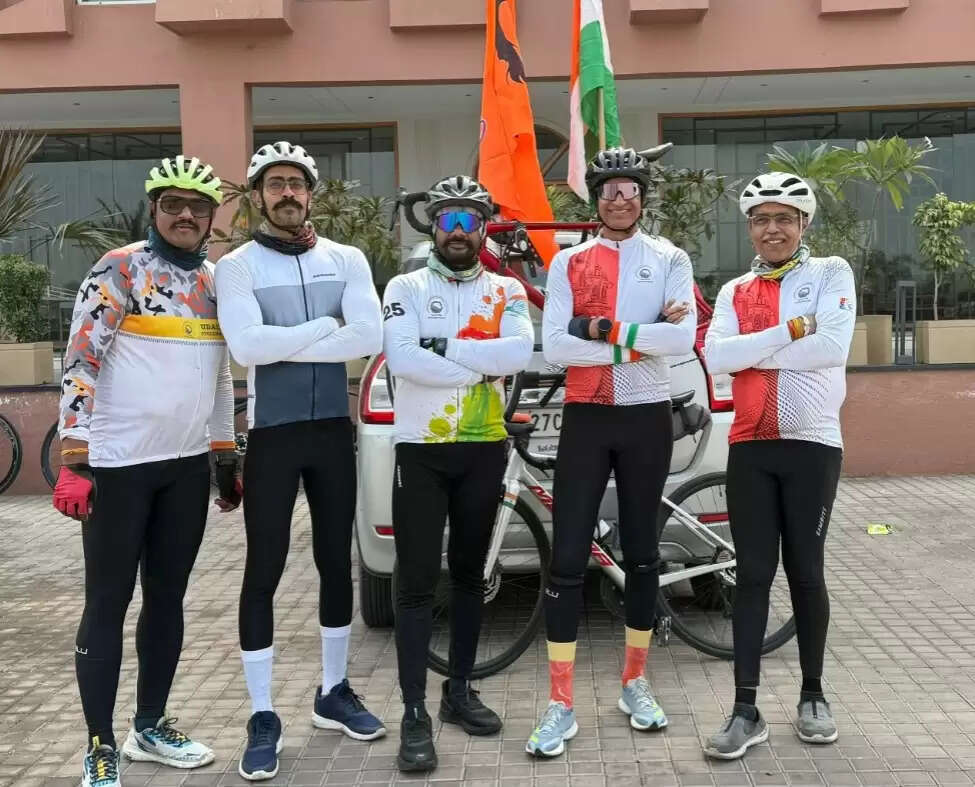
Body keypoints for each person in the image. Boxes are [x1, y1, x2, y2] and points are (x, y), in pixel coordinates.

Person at [53, 155, 240, 787]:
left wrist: (224, 454)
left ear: (211, 216)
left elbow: (220, 375)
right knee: (108, 602)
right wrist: (75, 458)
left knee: (167, 600)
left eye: (198, 206)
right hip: (118, 468)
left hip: (183, 470)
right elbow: (80, 361)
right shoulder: (119, 267)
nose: (185, 214)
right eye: (172, 204)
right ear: (153, 209)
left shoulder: (214, 281)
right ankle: (100, 743)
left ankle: (149, 726)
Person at [215, 141, 384, 781]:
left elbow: (369, 336)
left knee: (335, 563)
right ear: (258, 195)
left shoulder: (347, 258)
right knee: (264, 568)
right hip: (274, 435)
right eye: (275, 183)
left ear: (311, 193)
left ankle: (332, 692)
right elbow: (246, 347)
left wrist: (287, 341)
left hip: (332, 432)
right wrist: (324, 329)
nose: (287, 193)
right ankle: (262, 714)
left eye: (296, 183)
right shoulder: (236, 266)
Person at [527, 146, 696, 757]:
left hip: (647, 415)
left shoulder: (670, 257)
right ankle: (560, 702)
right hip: (588, 416)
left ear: (642, 197)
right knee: (568, 557)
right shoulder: (569, 262)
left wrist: (599, 329)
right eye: (609, 191)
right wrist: (642, 339)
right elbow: (556, 348)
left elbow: (682, 339)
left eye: (630, 190)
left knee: (644, 554)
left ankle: (635, 683)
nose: (620, 200)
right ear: (595, 198)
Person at [702, 172, 856, 760]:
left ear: (804, 224)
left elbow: (832, 349)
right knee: (752, 576)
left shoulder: (830, 272)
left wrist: (752, 352)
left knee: (806, 572)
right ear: (750, 228)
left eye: (784, 218)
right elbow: (716, 358)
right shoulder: (734, 290)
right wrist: (792, 330)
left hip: (813, 444)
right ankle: (745, 710)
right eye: (762, 219)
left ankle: (813, 695)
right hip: (750, 445)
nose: (773, 228)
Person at [382, 175, 533, 772]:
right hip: (421, 450)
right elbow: (402, 359)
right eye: (449, 219)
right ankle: (413, 711)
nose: (459, 232)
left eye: (471, 221)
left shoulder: (506, 289)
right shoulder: (405, 285)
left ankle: (459, 690)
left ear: (485, 228)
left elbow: (517, 353)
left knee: (471, 577)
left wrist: (441, 348)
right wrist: (479, 365)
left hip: (482, 448)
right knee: (417, 584)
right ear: (433, 225)